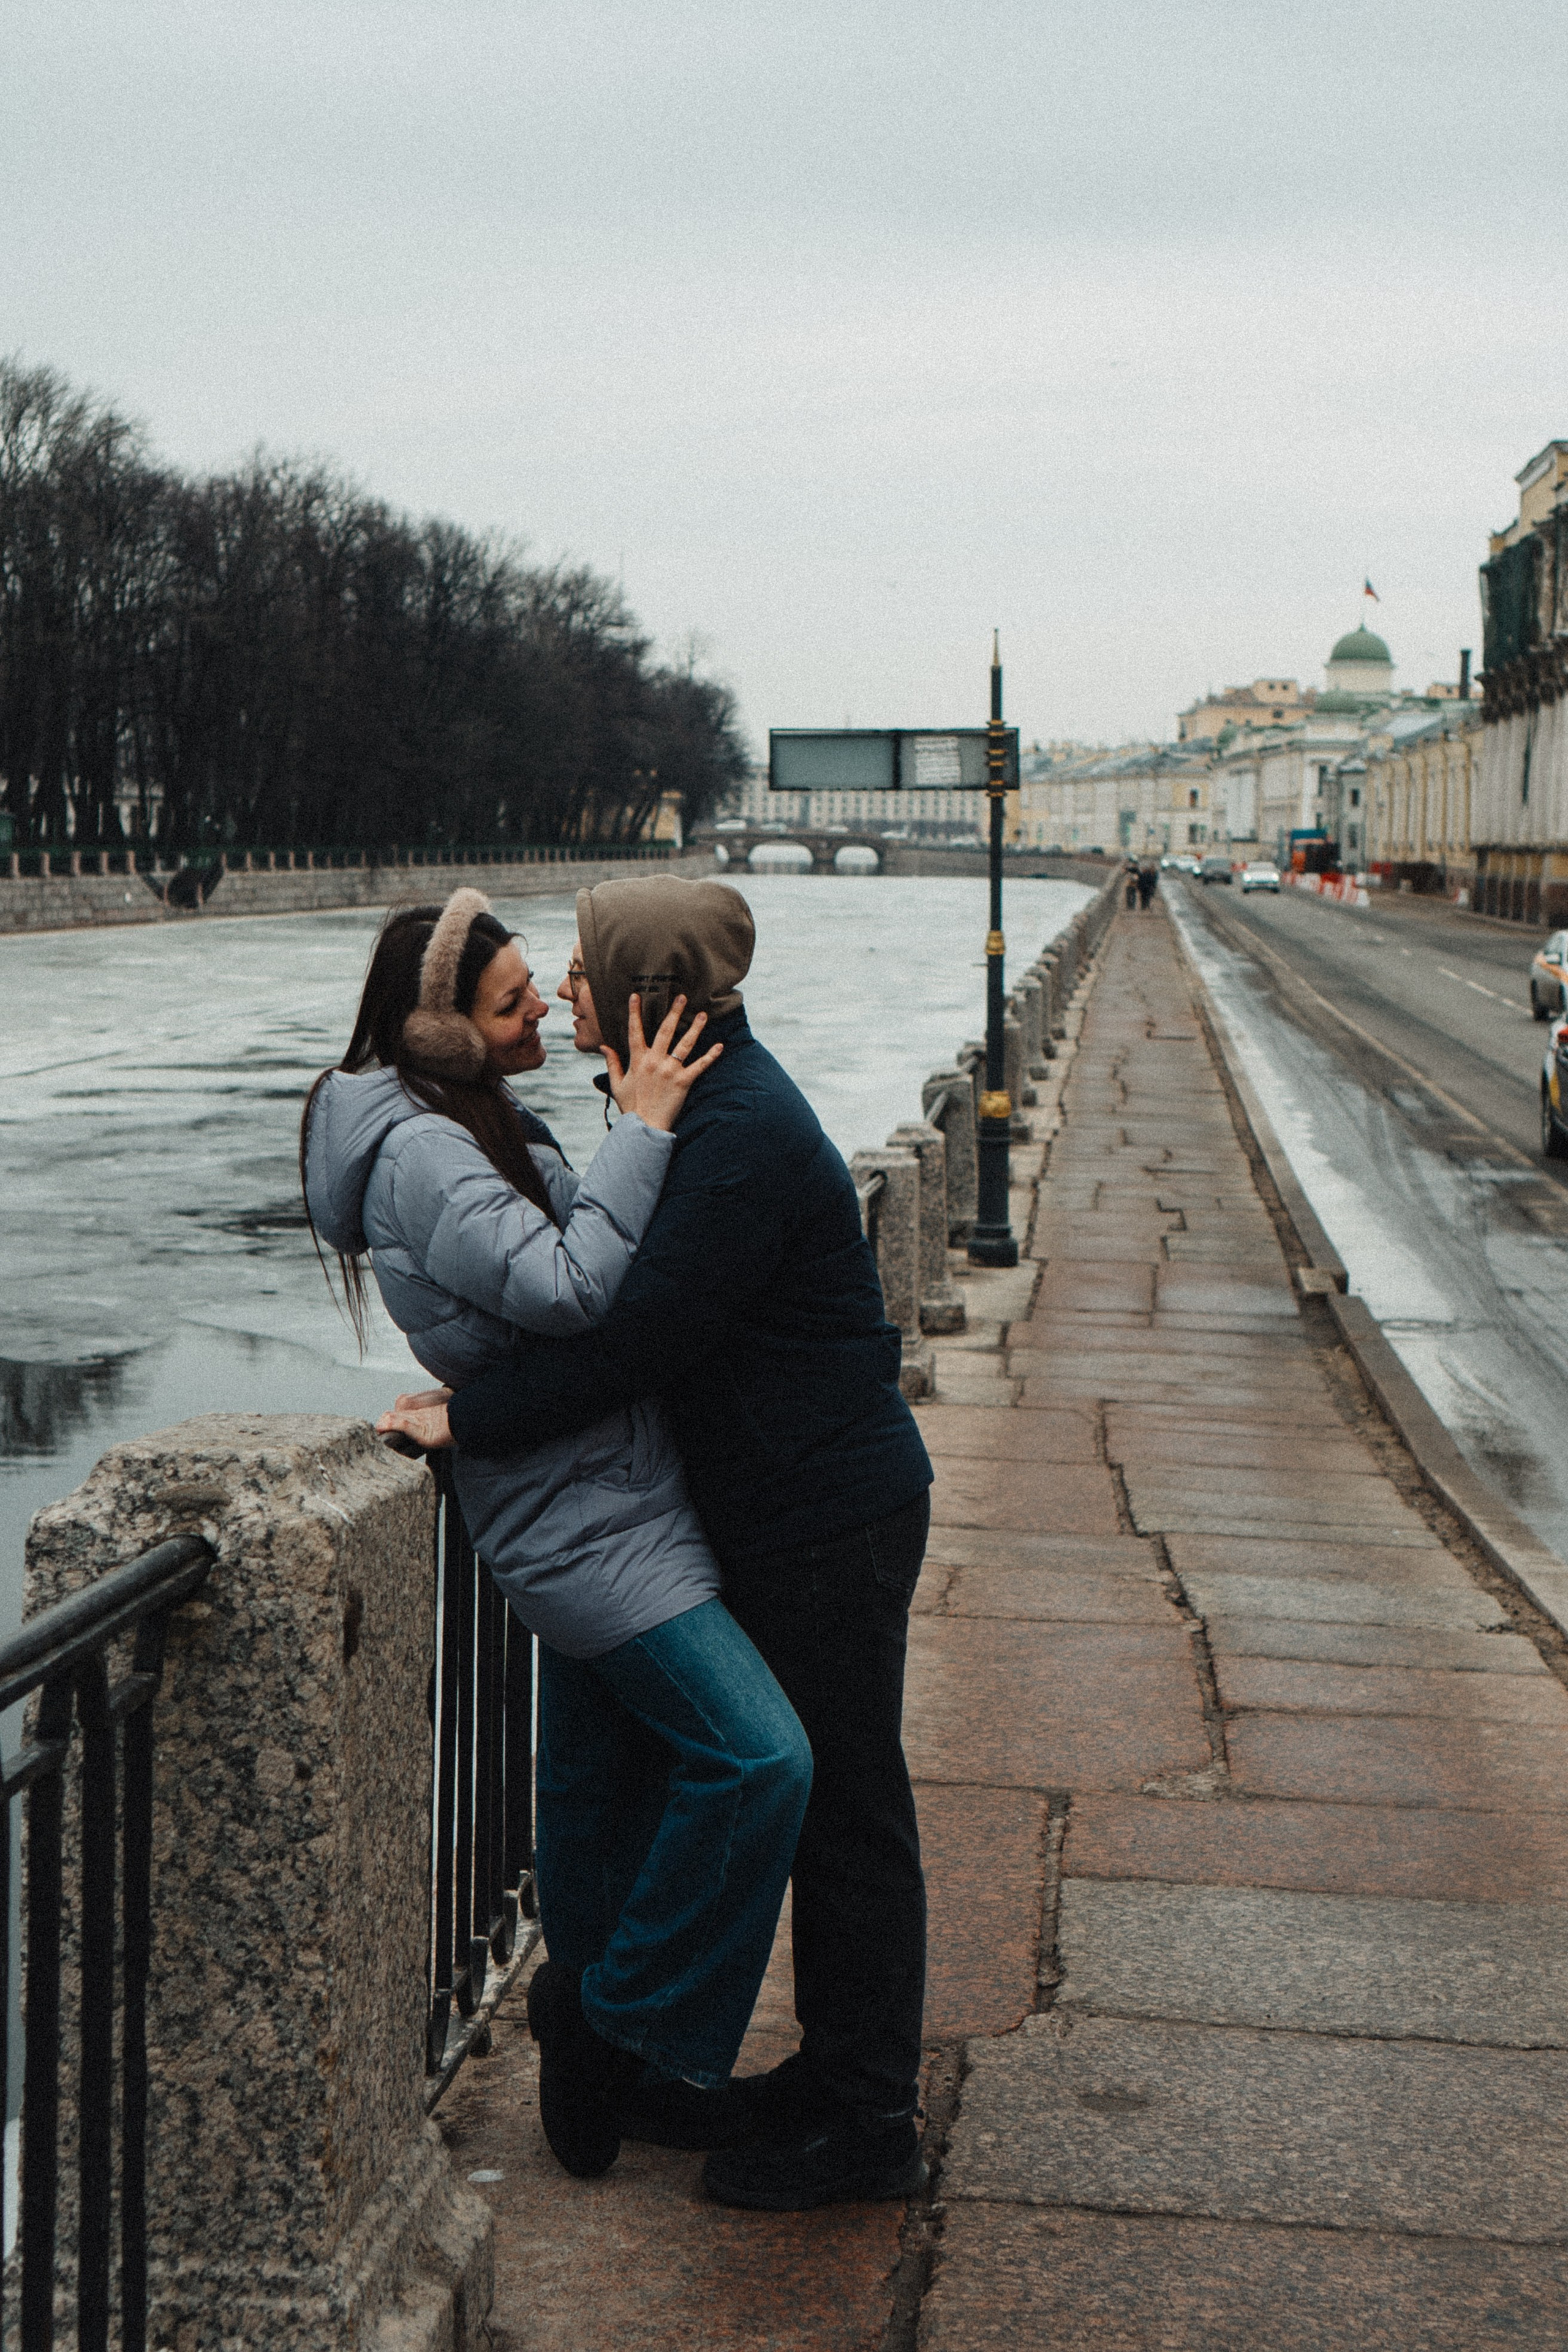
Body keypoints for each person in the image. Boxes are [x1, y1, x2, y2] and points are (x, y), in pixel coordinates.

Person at [380, 874, 935, 2214]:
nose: (561, 986)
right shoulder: (699, 1103)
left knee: (844, 1813)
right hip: (782, 1503)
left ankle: (861, 2119)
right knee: (791, 1800)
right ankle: (824, 2073)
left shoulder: (733, 1128)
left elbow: (637, 1338)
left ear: (640, 993)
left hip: (823, 1510)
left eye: (578, 969)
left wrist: (470, 1417)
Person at [301, 889, 812, 2184]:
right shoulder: (422, 1152)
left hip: (606, 1486)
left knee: (593, 1800)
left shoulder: (483, 1119)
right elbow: (575, 1286)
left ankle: (630, 2077)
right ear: (441, 1031)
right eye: (510, 998)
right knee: (761, 1764)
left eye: (541, 985)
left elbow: (601, 1273)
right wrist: (641, 1126)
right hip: (573, 1514)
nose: (538, 1008)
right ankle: (607, 2022)